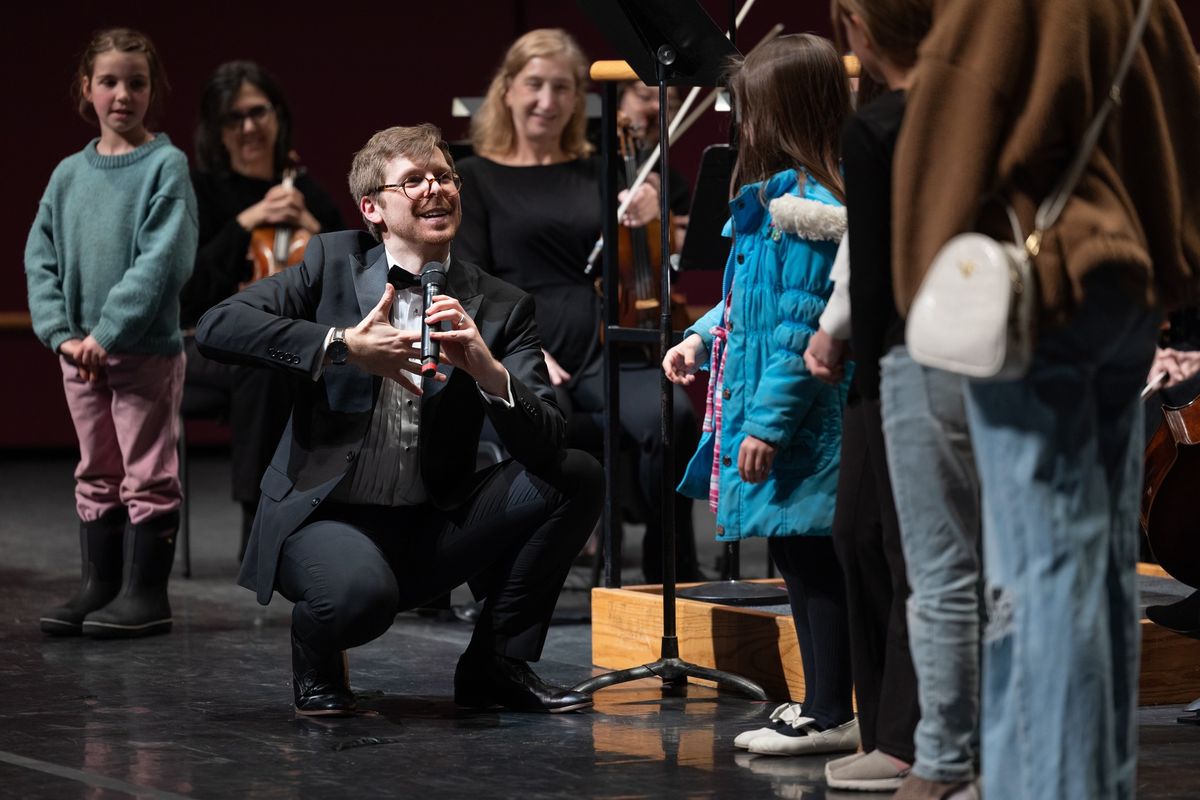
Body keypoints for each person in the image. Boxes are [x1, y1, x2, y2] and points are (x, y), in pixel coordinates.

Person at [892, 1, 1200, 797]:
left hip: (1042, 297)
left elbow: (947, 124)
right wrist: (1167, 270)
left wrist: (923, 282)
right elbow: (1186, 125)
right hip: (1126, 294)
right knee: (1096, 574)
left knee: (1042, 577)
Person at [195, 123, 602, 717]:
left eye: (444, 177)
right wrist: (340, 345)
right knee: (358, 598)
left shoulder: (500, 305)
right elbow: (217, 326)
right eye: (413, 180)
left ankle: (497, 663)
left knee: (577, 474)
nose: (435, 188)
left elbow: (548, 440)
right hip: (325, 519)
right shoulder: (329, 264)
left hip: (431, 523)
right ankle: (316, 651)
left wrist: (489, 372)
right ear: (373, 208)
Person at [663, 33, 857, 756]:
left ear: (780, 115)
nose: (739, 128)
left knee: (814, 561)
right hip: (780, 416)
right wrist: (700, 336)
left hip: (803, 426)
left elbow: (797, 334)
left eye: (748, 113)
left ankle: (831, 710)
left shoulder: (808, 212)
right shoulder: (772, 202)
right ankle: (822, 704)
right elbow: (747, 304)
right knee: (796, 556)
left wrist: (769, 428)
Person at [455, 28, 705, 584]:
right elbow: (472, 280)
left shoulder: (606, 170)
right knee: (546, 426)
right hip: (524, 337)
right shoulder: (473, 176)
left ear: (577, 98)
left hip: (603, 334)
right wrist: (524, 347)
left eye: (562, 88)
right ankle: (533, 569)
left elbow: (647, 253)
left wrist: (652, 215)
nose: (548, 101)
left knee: (673, 418)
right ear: (508, 90)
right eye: (535, 85)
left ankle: (671, 572)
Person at [824, 2, 983, 797]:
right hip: (950, 353)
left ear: (856, 24)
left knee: (925, 557)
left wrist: (848, 339)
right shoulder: (968, 106)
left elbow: (883, 269)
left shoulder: (891, 124)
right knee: (875, 538)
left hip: (910, 360)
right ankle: (899, 730)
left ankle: (934, 747)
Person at [25, 28, 198, 638]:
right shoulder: (68, 174)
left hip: (141, 352)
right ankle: (99, 585)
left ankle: (147, 595)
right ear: (86, 89)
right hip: (80, 354)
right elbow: (39, 256)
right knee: (96, 468)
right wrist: (61, 334)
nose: (122, 94)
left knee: (147, 470)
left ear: (153, 91)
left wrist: (109, 331)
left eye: (136, 82)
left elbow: (163, 259)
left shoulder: (165, 165)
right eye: (109, 81)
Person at [181, 61, 344, 558]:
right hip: (200, 345)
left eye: (258, 112)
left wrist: (314, 226)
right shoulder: (201, 190)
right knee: (270, 359)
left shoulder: (305, 192)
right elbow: (190, 289)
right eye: (234, 118)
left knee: (281, 357)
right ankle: (261, 520)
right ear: (218, 129)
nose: (249, 127)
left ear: (277, 116)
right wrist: (247, 220)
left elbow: (352, 275)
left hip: (279, 355)